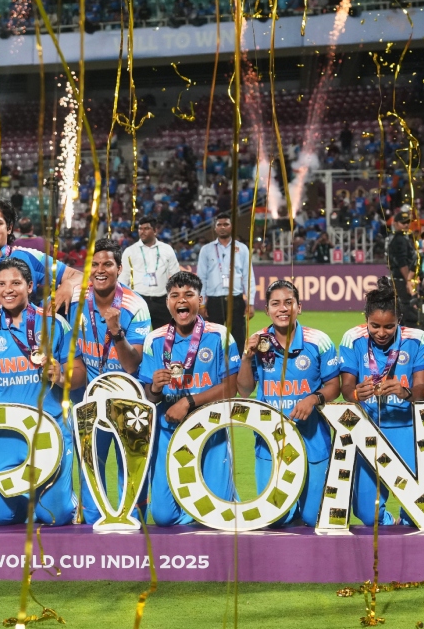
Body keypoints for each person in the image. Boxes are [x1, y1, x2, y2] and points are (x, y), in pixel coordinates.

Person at [0, 258, 77, 526]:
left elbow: (78, 375)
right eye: (1, 284)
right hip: (4, 433)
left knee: (56, 516)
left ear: (30, 286)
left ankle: (60, 501)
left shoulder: (55, 323)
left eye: (15, 283)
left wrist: (60, 375)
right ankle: (28, 503)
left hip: (49, 429)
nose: (8, 289)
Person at [236, 279, 340, 527]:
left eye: (288, 303)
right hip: (271, 440)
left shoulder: (319, 341)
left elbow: (334, 387)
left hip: (313, 438)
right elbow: (245, 390)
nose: (282, 309)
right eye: (275, 304)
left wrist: (313, 398)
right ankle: (287, 511)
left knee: (313, 517)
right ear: (267, 310)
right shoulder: (258, 343)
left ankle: (303, 508)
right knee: (274, 518)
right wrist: (246, 357)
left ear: (299, 307)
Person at [140, 271, 239, 526]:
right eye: (175, 295)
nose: (181, 300)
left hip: (211, 428)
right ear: (167, 302)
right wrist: (155, 388)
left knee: (218, 513)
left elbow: (231, 388)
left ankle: (215, 507)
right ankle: (194, 515)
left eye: (188, 295)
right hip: (168, 430)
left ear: (200, 300)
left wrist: (189, 402)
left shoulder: (219, 336)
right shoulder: (155, 339)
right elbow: (148, 397)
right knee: (163, 517)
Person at [0, 196, 81, 400]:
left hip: (24, 338)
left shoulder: (28, 256)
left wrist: (67, 285)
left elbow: (78, 275)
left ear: (9, 228)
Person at [338, 277, 424, 526]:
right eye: (374, 326)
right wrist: (356, 394)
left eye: (389, 327)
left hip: (408, 429)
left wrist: (405, 392)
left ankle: (406, 526)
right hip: (368, 429)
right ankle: (389, 521)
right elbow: (346, 388)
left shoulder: (418, 339)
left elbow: (421, 390)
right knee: (367, 514)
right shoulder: (352, 338)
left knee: (417, 511)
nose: (381, 333)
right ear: (366, 319)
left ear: (399, 320)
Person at [66, 237, 150, 523]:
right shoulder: (76, 300)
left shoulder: (135, 306)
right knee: (91, 466)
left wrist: (116, 332)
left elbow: (132, 363)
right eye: (94, 264)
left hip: (129, 400)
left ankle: (133, 522)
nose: (100, 270)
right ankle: (91, 519)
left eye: (107, 264)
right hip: (88, 398)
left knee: (131, 467)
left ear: (119, 269)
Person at [196, 214, 254, 348]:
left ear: (231, 227)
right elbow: (201, 278)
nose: (222, 227)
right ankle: (215, 361)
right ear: (215, 228)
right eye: (219, 225)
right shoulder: (206, 250)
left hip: (236, 300)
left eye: (226, 224)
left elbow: (248, 276)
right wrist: (202, 304)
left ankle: (239, 361)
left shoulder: (242, 249)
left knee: (238, 338)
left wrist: (250, 303)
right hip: (214, 302)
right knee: (213, 338)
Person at [119, 216, 179, 330]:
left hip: (162, 301)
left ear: (155, 230)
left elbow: (176, 276)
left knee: (164, 334)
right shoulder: (130, 251)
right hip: (139, 300)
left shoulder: (167, 249)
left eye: (146, 228)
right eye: (140, 229)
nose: (142, 232)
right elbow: (123, 278)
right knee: (138, 335)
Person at [387, 207, 419, 328]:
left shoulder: (399, 238)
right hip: (402, 281)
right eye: (403, 222)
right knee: (408, 312)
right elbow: (402, 263)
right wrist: (408, 281)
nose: (406, 225)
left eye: (407, 222)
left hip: (398, 280)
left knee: (402, 311)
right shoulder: (400, 239)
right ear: (395, 224)